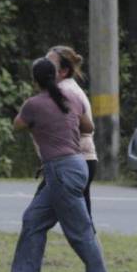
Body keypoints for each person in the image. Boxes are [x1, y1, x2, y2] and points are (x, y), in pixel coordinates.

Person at [0, 58, 112, 272]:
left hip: (62, 170)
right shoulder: (72, 99)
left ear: (34, 80)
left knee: (79, 230)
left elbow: (18, 125)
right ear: (55, 76)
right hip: (75, 166)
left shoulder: (33, 104)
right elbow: (88, 127)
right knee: (33, 219)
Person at [46, 46, 97, 219]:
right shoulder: (62, 90)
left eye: (49, 64)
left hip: (73, 163)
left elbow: (83, 127)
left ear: (63, 71)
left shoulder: (65, 92)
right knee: (36, 219)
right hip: (77, 161)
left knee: (36, 218)